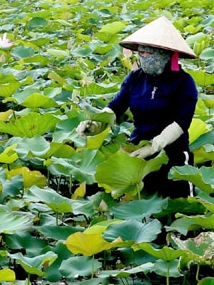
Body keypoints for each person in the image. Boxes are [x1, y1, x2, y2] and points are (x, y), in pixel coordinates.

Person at [78, 16, 197, 198]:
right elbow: (115, 107)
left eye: (149, 54)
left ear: (165, 54)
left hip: (173, 153)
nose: (144, 58)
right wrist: (96, 123)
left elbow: (181, 123)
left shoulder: (184, 83)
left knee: (178, 204)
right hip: (137, 150)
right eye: (141, 54)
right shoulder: (135, 78)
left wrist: (154, 146)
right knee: (132, 201)